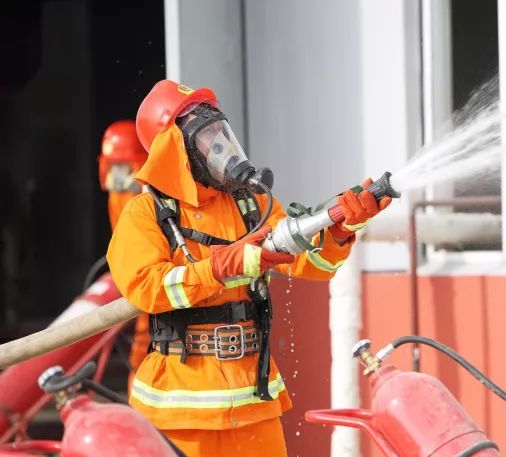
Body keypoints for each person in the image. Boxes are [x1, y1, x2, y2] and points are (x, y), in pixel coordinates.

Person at [106, 80, 390, 457]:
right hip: (181, 409)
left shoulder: (250, 203)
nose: (221, 147)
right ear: (175, 150)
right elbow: (146, 288)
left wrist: (339, 230)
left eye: (220, 133)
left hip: (253, 401)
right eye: (207, 138)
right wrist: (219, 267)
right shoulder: (145, 214)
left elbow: (309, 263)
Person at [97, 120, 150, 391]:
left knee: (145, 343)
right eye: (114, 168)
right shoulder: (116, 196)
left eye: (125, 169)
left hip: (150, 279)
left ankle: (139, 402)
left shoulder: (147, 199)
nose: (119, 179)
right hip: (132, 276)